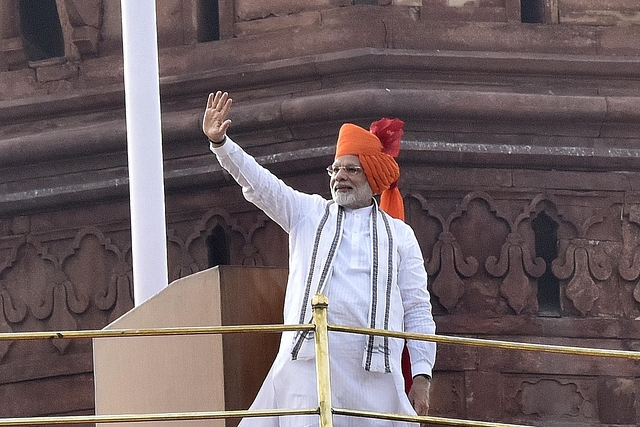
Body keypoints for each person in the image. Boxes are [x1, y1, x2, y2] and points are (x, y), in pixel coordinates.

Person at [202, 91, 436, 426]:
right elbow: (260, 183)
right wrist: (221, 143)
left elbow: (417, 309)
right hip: (308, 368)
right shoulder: (307, 213)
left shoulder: (399, 236)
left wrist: (423, 376)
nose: (339, 176)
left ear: (371, 177)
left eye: (351, 169)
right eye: (335, 168)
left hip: (375, 379)